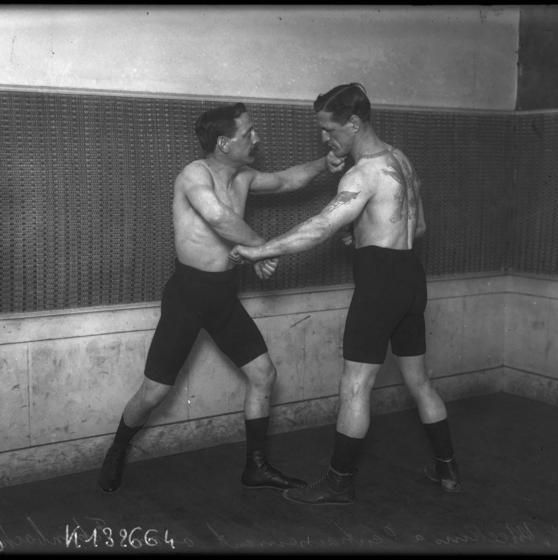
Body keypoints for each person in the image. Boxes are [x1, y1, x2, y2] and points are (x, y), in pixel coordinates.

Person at [229, 83, 463, 506]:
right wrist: (366, 235)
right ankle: (448, 470)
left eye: (329, 129)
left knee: (355, 386)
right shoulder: (402, 161)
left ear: (354, 123)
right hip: (411, 277)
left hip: (381, 286)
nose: (325, 139)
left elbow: (320, 227)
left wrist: (259, 249)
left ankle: (338, 483)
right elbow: (418, 227)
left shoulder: (363, 174)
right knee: (420, 381)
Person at [98, 102, 345, 494]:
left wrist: (323, 163)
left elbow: (285, 181)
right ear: (224, 143)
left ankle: (256, 466)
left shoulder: (243, 177)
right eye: (249, 133)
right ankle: (118, 447)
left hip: (224, 296)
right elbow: (217, 218)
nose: (257, 138)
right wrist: (264, 248)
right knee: (155, 392)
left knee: (264, 375)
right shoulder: (194, 175)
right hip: (188, 295)